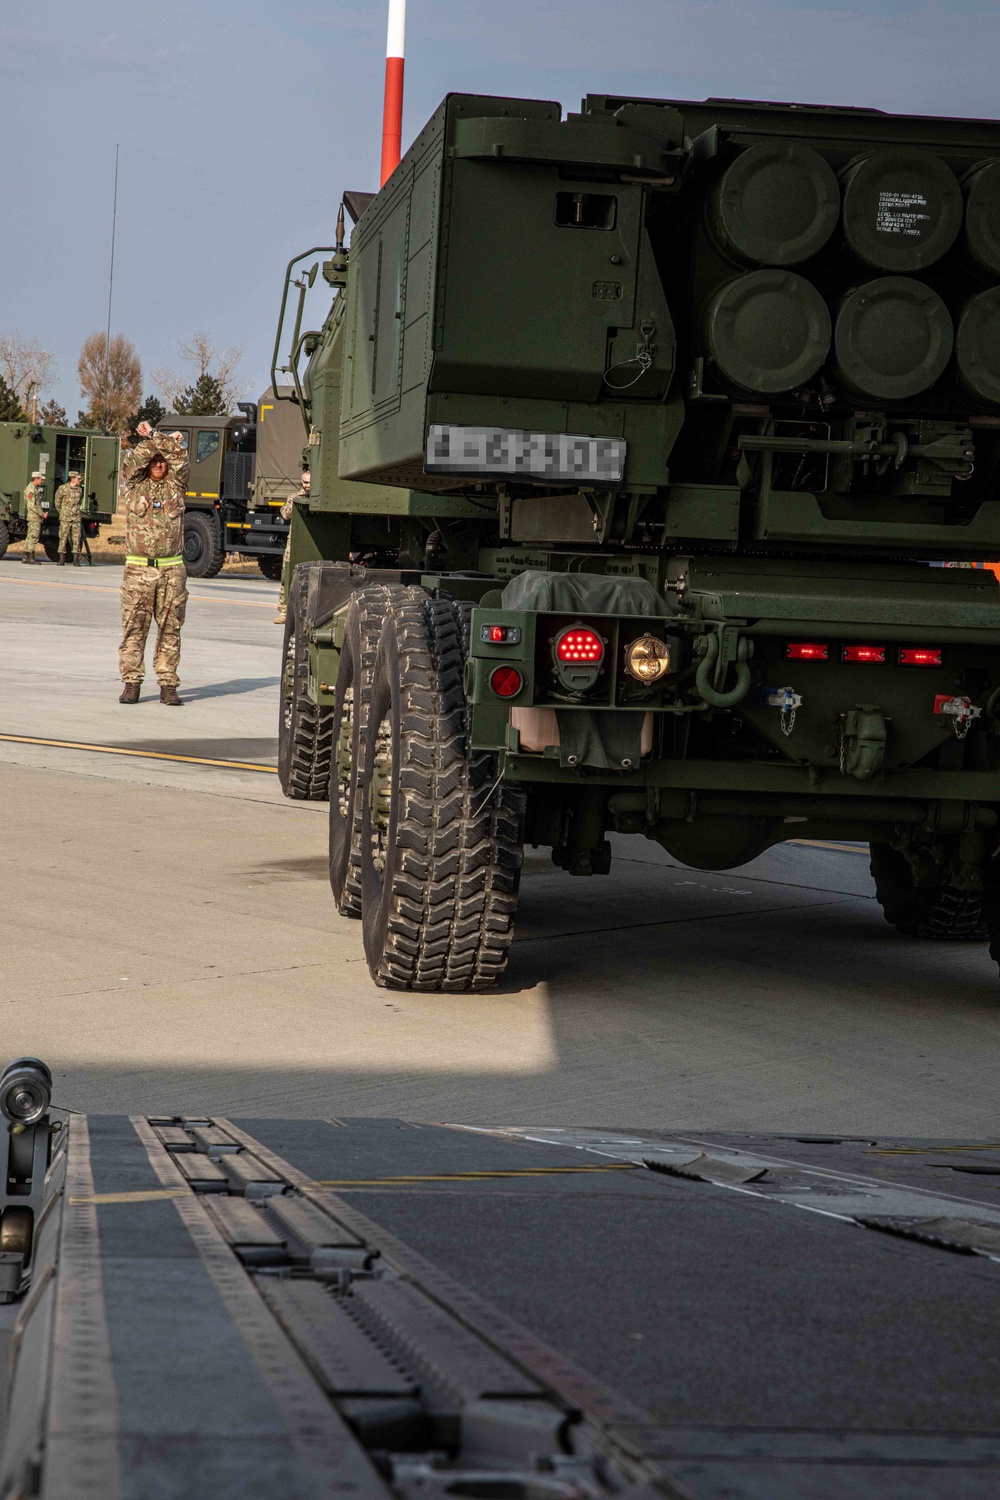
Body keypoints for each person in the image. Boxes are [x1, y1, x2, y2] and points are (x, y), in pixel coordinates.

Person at [118, 422, 189, 706]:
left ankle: (168, 684)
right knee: (134, 627)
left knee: (171, 628)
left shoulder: (177, 485)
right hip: (138, 569)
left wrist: (157, 438)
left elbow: (180, 457)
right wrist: (150, 442)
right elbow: (131, 461)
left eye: (162, 460)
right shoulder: (134, 486)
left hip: (172, 569)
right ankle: (131, 683)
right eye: (154, 460)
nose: (159, 463)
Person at [274, 468, 310, 625]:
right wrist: (294, 503)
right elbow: (285, 514)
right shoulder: (295, 497)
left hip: (310, 542)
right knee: (287, 574)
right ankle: (283, 611)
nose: (306, 485)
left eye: (309, 482)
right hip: (294, 542)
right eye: (304, 482)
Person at [54, 471, 84, 566]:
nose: (80, 480)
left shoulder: (79, 490)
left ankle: (76, 559)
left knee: (76, 538)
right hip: (65, 518)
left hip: (76, 518)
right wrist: (63, 512)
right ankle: (61, 559)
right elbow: (57, 503)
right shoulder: (62, 488)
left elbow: (79, 502)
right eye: (78, 478)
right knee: (63, 537)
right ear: (73, 478)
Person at [21, 472, 47, 564]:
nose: (42, 481)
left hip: (34, 516)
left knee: (30, 536)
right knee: (33, 537)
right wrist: (42, 514)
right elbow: (32, 505)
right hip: (34, 517)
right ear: (36, 479)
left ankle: (26, 556)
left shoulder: (33, 489)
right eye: (41, 479)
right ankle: (30, 557)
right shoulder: (31, 490)